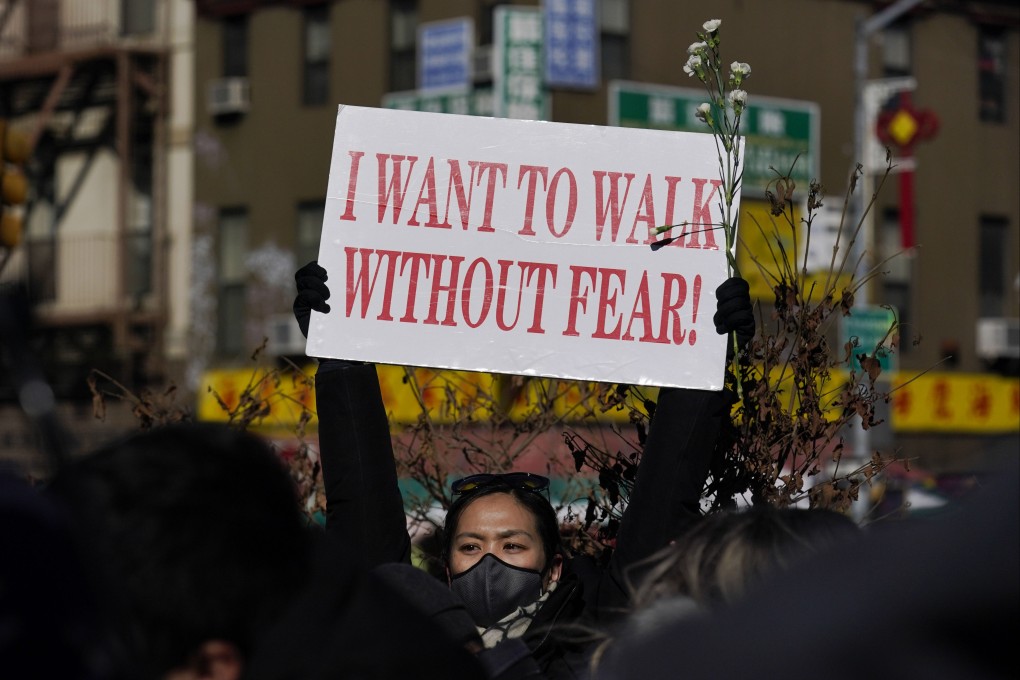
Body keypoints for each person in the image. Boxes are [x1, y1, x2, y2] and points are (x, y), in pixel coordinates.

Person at [292, 260, 756, 678]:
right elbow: (364, 520)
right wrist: (342, 359)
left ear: (554, 568)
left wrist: (706, 362)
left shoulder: (598, 636)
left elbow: (663, 498)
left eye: (512, 544)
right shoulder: (410, 642)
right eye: (471, 545)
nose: (490, 561)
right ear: (447, 570)